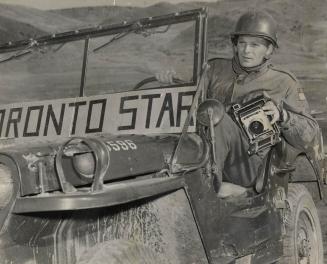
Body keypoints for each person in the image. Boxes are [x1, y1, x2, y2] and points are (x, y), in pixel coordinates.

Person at [158, 10, 320, 197]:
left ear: (269, 50)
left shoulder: (284, 82)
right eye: (242, 43)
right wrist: (169, 80)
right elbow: (191, 100)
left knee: (216, 117)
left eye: (255, 45)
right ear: (235, 45)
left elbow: (310, 133)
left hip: (250, 164)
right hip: (205, 156)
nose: (246, 50)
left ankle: (218, 191)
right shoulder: (213, 70)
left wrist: (283, 116)